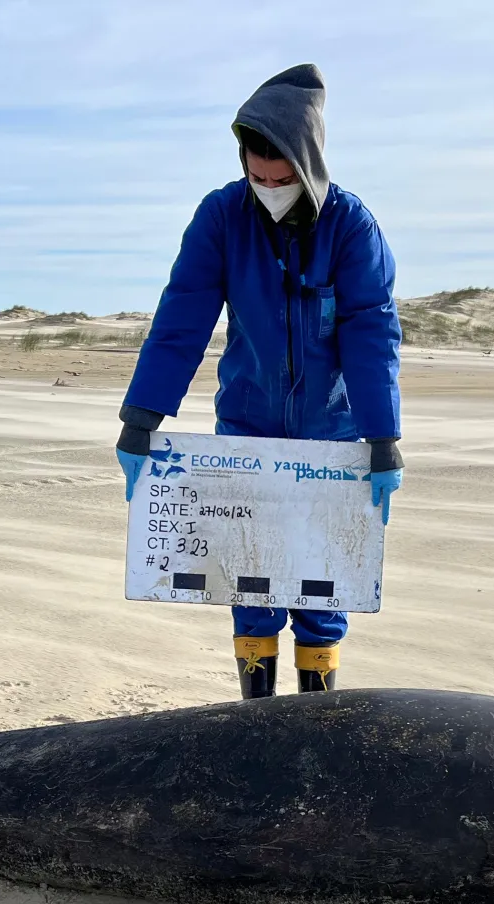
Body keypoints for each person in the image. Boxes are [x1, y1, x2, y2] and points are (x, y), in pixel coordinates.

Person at [115, 63, 404, 700]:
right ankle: (258, 711)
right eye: (258, 176)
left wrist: (382, 438)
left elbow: (371, 332)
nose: (269, 189)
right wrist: (141, 419)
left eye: (282, 179)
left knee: (320, 577)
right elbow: (182, 316)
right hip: (247, 422)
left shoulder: (351, 226)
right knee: (253, 572)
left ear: (310, 166)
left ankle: (315, 712)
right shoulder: (222, 217)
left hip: (331, 436)